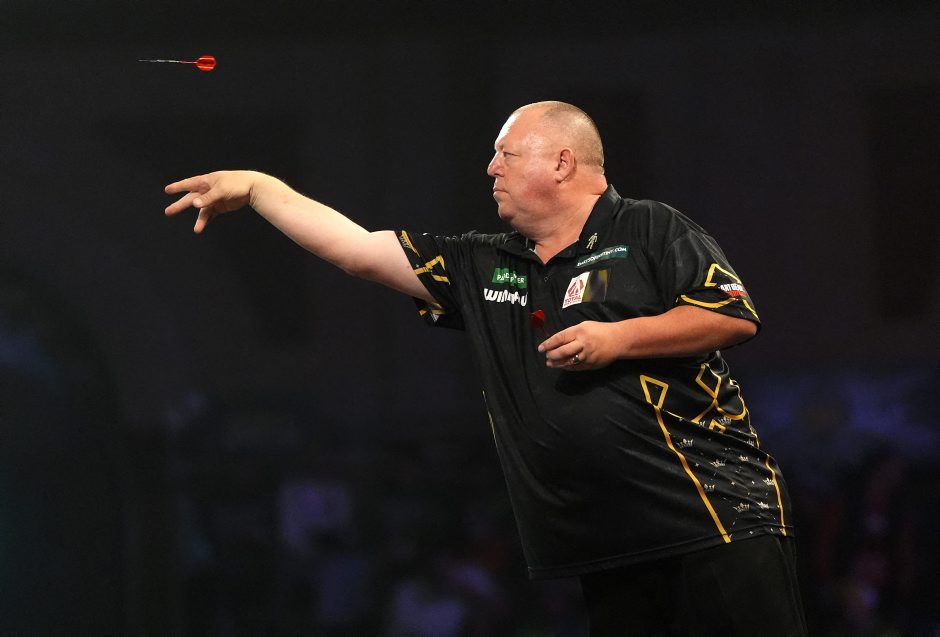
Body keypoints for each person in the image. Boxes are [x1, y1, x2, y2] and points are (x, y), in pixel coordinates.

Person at [165, 101, 807, 635]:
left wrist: (618, 338)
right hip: (607, 539)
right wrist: (261, 188)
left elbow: (732, 315)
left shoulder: (649, 228)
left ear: (562, 162)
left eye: (507, 153)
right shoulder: (485, 263)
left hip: (714, 517)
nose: (490, 167)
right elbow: (359, 251)